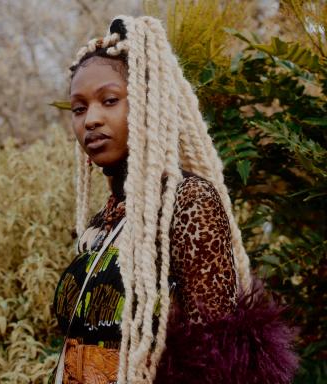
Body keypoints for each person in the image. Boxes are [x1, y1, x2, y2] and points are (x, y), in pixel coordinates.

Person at [51, 15, 298, 384]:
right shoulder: (101, 224)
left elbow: (214, 360)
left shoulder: (187, 203)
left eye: (110, 100)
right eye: (80, 108)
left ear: (150, 105)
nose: (91, 120)